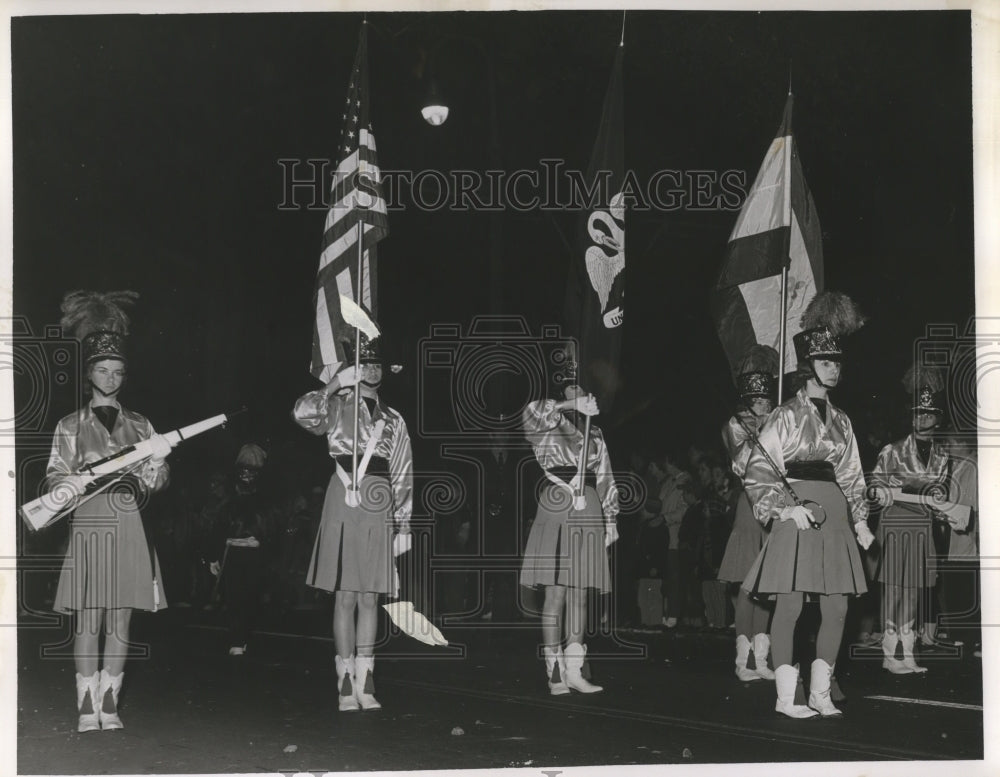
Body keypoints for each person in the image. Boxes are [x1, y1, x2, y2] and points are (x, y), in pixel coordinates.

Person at [742, 291, 874, 719]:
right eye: (826, 362)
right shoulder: (783, 415)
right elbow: (758, 468)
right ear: (808, 366)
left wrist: (860, 519)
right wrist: (782, 508)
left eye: (838, 362)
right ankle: (786, 697)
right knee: (792, 604)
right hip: (796, 511)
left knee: (837, 605)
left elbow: (853, 472)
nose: (834, 369)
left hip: (834, 514)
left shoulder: (843, 421)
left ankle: (819, 692)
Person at [47, 291, 173, 732]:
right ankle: (86, 704)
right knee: (90, 612)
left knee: (121, 613)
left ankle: (110, 702)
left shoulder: (141, 423)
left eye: (118, 371)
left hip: (129, 523)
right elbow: (53, 480)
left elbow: (157, 484)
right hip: (90, 521)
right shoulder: (69, 425)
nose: (111, 377)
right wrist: (73, 482)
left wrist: (157, 468)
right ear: (88, 374)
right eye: (103, 370)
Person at [292, 332, 412, 712]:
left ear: (385, 371)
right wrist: (333, 384)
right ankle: (344, 681)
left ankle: (366, 678)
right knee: (344, 594)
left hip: (379, 502)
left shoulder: (394, 419)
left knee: (370, 596)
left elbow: (404, 473)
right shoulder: (339, 404)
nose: (372, 370)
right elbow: (302, 415)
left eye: (377, 364)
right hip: (343, 496)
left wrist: (404, 526)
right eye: (366, 363)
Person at [520, 359, 619, 696]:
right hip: (557, 502)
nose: (581, 393)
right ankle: (554, 672)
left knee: (580, 594)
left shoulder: (595, 430)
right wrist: (568, 405)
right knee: (556, 592)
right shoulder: (547, 421)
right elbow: (531, 415)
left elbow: (605, 476)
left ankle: (575, 670)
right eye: (573, 387)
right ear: (562, 390)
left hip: (588, 505)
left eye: (583, 389)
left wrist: (612, 517)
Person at [870, 366, 956, 673]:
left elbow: (938, 497)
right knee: (893, 588)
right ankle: (888, 653)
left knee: (915, 590)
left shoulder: (944, 456)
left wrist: (945, 510)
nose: (922, 418)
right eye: (918, 413)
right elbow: (874, 489)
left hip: (922, 527)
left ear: (938, 418)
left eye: (928, 413)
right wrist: (886, 491)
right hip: (895, 525)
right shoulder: (892, 451)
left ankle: (907, 653)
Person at [717, 346, 779, 682]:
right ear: (748, 398)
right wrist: (764, 429)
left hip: (776, 505)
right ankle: (743, 661)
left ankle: (761, 658)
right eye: (759, 400)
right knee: (746, 582)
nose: (764, 405)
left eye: (767, 400)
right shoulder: (736, 424)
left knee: (768, 585)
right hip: (750, 504)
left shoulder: (777, 420)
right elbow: (742, 464)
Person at [207, 443, 269, 656]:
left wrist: (262, 541)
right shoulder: (232, 496)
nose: (247, 475)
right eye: (244, 470)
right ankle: (238, 639)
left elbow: (272, 523)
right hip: (236, 551)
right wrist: (214, 556)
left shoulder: (263, 497)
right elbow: (220, 522)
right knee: (237, 595)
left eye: (251, 471)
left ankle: (239, 638)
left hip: (250, 552)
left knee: (244, 595)